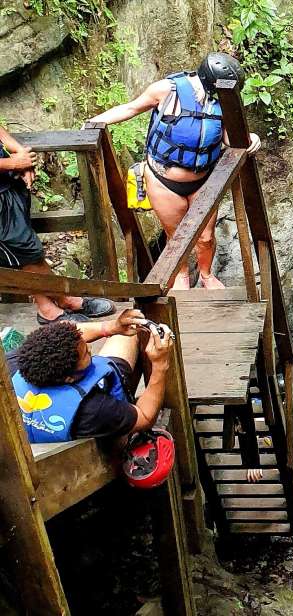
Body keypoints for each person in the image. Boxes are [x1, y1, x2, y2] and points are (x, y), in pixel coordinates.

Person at [88, 52, 263, 290]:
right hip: (163, 179)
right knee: (176, 235)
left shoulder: (222, 101)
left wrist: (249, 137)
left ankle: (206, 275)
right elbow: (131, 108)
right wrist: (93, 123)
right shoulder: (167, 90)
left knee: (206, 237)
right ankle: (181, 273)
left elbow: (229, 138)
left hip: (204, 179)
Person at [0, 124, 116, 324]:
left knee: (25, 255)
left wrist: (19, 154)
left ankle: (48, 306)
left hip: (8, 186)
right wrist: (13, 163)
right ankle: (62, 301)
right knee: (26, 252)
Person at [9, 309, 174, 443]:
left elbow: (67, 331)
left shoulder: (15, 363)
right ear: (69, 378)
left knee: (126, 335)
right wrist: (159, 364)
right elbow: (145, 416)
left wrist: (111, 327)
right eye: (85, 355)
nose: (89, 348)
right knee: (129, 340)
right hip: (88, 447)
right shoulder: (96, 410)